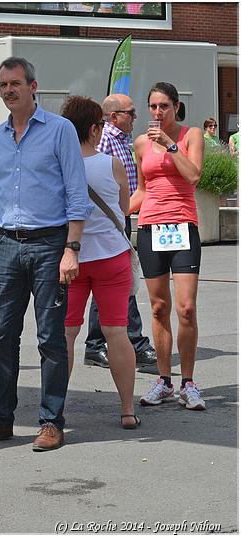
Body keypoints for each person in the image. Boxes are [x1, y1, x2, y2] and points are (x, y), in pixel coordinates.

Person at [0, 57, 93, 452]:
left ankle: (51, 422)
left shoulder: (59, 130)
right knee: (3, 335)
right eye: (2, 85)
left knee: (51, 338)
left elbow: (76, 194)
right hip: (7, 245)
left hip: (51, 243)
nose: (8, 91)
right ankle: (0, 419)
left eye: (15, 83)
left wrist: (71, 249)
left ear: (33, 86)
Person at [61, 96, 140, 429]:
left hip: (71, 259)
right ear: (95, 129)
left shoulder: (58, 166)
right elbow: (124, 207)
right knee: (116, 332)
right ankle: (126, 409)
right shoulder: (111, 164)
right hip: (112, 257)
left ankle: (56, 407)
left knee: (65, 333)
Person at [131, 82, 206, 410]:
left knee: (186, 308)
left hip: (182, 225)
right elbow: (143, 190)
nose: (158, 112)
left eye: (164, 106)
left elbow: (193, 176)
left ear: (176, 107)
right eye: (153, 106)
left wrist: (171, 146)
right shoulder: (140, 144)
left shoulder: (190, 136)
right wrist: (113, 210)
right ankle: (163, 380)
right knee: (159, 307)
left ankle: (188, 383)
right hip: (150, 227)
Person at [83, 94, 157, 370]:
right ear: (114, 116)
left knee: (108, 284)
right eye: (131, 112)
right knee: (120, 283)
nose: (135, 117)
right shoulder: (104, 140)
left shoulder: (119, 140)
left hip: (116, 218)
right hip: (108, 220)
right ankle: (133, 342)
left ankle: (97, 344)